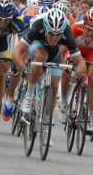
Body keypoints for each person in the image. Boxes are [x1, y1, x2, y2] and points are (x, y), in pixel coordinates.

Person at [12, 9, 86, 146]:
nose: (54, 38)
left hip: (54, 52)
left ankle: (45, 128)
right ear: (46, 29)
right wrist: (23, 69)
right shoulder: (37, 27)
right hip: (37, 44)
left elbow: (81, 62)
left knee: (53, 86)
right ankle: (29, 95)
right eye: (51, 34)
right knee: (41, 56)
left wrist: (76, 74)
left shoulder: (66, 32)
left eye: (58, 35)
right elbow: (17, 51)